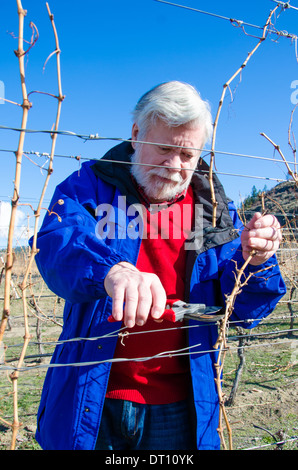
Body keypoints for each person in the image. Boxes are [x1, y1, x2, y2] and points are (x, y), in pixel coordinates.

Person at [32, 81, 286, 451]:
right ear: (136, 134)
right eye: (164, 148)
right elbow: (57, 241)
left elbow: (243, 310)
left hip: (183, 403)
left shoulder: (213, 208)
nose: (174, 166)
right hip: (94, 394)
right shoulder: (91, 186)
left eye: (188, 155)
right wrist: (111, 270)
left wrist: (258, 260)